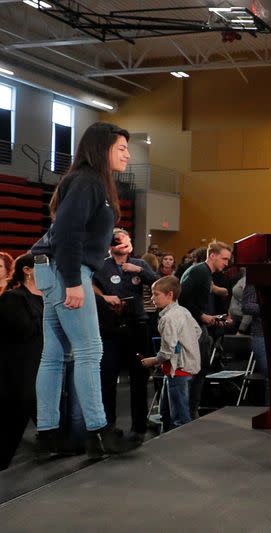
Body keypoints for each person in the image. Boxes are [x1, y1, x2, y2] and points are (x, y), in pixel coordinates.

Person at [29, 122, 138, 460]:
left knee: (54, 357)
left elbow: (76, 229)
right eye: (121, 148)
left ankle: (48, 436)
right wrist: (75, 281)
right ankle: (99, 433)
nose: (128, 154)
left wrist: (110, 238)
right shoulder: (89, 181)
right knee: (90, 352)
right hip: (66, 273)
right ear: (102, 148)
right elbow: (68, 232)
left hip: (51, 270)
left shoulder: (83, 181)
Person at [92, 227, 158, 441]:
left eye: (125, 239)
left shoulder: (139, 264)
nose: (122, 243)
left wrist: (139, 271)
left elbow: (158, 283)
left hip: (137, 327)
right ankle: (109, 425)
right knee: (108, 378)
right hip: (110, 329)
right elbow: (89, 286)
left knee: (139, 378)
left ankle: (139, 426)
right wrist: (105, 299)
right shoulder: (100, 264)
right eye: (117, 240)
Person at [179, 241, 232, 419]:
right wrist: (202, 316)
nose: (226, 263)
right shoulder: (200, 272)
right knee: (194, 372)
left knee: (198, 371)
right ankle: (188, 413)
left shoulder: (203, 272)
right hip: (191, 328)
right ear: (212, 256)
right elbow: (183, 298)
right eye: (224, 259)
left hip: (196, 327)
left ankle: (190, 411)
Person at [141, 276, 202, 431]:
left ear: (169, 295)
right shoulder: (183, 311)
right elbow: (198, 331)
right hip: (180, 369)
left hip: (178, 371)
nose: (152, 298)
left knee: (180, 417)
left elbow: (167, 351)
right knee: (166, 412)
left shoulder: (169, 318)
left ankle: (182, 448)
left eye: (156, 294)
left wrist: (153, 360)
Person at [0, 254, 43, 469]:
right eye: (43, 266)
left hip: (40, 366)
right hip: (19, 367)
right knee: (15, 416)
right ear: (27, 270)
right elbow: (20, 331)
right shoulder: (13, 298)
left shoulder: (48, 297)